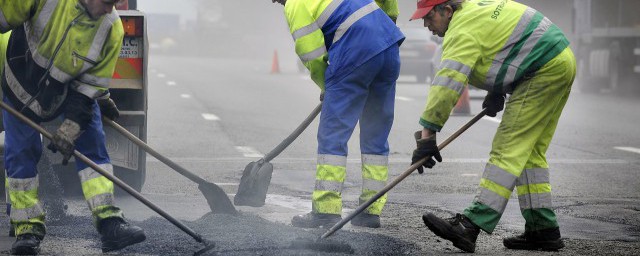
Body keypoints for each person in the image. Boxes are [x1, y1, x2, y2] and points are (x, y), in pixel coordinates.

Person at [409, 0, 575, 253]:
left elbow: (447, 83)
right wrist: (498, 89)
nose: (426, 24)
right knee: (529, 152)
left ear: (447, 10)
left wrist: (427, 136)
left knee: (508, 147)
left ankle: (471, 224)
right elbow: (502, 46)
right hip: (558, 60)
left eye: (429, 17)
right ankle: (543, 230)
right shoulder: (475, 10)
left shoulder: (461, 29)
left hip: (542, 68)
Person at [0, 0, 146, 254]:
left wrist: (72, 127)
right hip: (20, 85)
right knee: (21, 153)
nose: (109, 10)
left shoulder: (112, 28)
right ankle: (27, 228)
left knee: (93, 143)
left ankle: (110, 222)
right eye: (105, 3)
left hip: (67, 91)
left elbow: (87, 91)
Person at [270, 0, 404, 228]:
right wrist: (388, 21)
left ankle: (326, 210)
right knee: (375, 135)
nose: (279, 3)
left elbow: (311, 53)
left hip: (356, 50)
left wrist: (326, 86)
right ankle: (370, 211)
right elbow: (388, 6)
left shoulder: (295, 4)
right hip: (388, 46)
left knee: (333, 136)